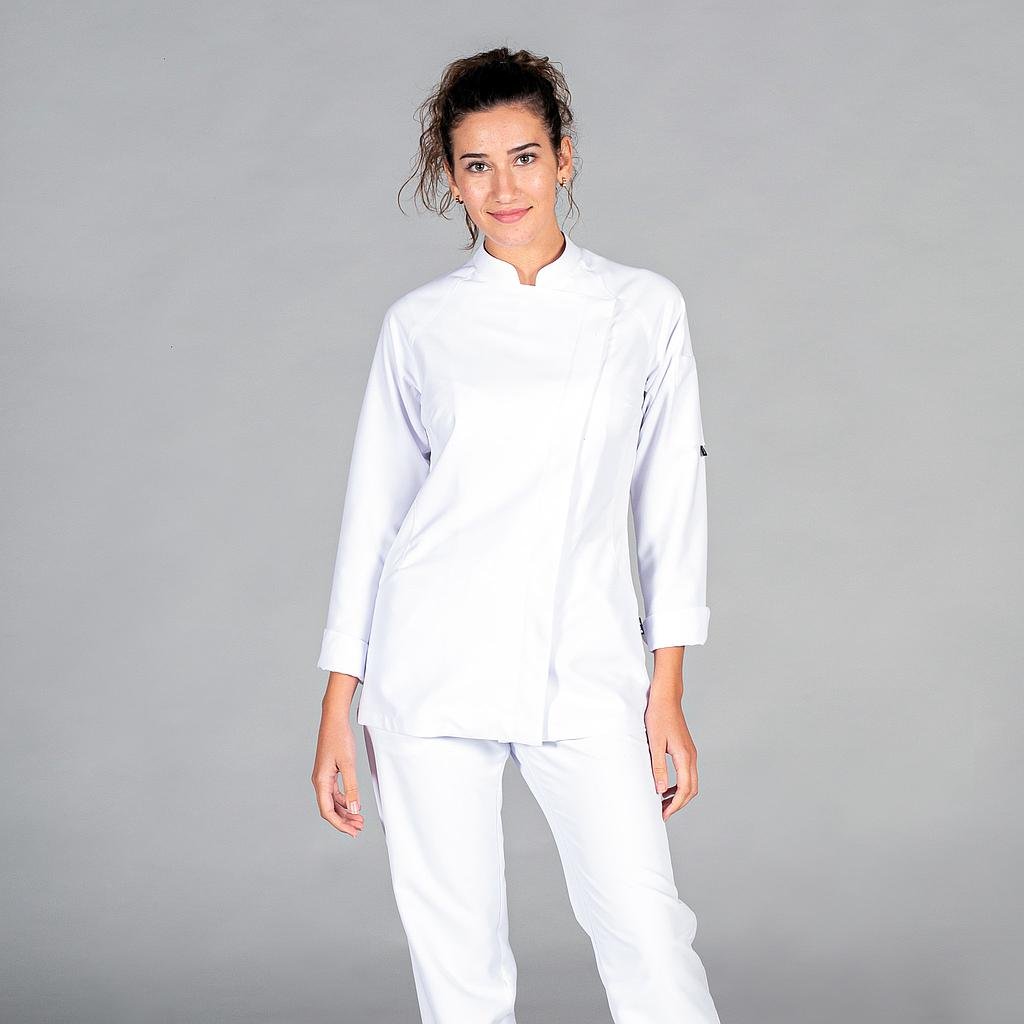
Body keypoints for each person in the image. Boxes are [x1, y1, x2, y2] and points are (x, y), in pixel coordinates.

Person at [311, 46, 723, 1024]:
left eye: (525, 157)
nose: (504, 188)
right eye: (477, 165)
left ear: (564, 159)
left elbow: (670, 504)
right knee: (458, 965)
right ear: (451, 178)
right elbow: (375, 514)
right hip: (429, 666)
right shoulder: (420, 326)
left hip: (583, 664)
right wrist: (337, 701)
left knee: (647, 936)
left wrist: (666, 689)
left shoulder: (643, 310)